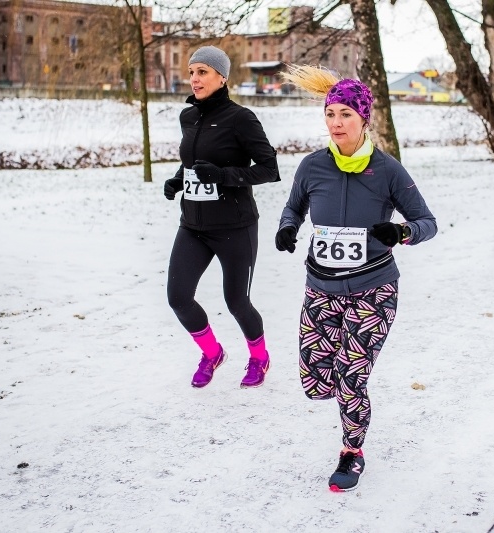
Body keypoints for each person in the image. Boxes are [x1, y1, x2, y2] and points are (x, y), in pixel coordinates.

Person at [275, 66, 437, 492]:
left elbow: (427, 221)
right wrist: (288, 228)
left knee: (351, 377)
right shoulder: (312, 166)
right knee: (314, 383)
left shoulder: (387, 170)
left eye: (345, 114)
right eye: (330, 115)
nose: (336, 123)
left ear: (363, 118)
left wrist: (402, 232)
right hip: (321, 290)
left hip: (374, 289)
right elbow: (293, 208)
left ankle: (352, 451)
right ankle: (342, 397)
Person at [164, 46, 280, 388]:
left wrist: (225, 176)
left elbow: (269, 169)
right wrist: (177, 179)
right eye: (192, 72)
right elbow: (193, 161)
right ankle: (211, 353)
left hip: (235, 226)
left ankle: (259, 357)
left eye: (203, 71)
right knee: (178, 297)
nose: (195, 78)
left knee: (237, 301)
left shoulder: (240, 118)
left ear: (222, 77)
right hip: (194, 226)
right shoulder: (189, 117)